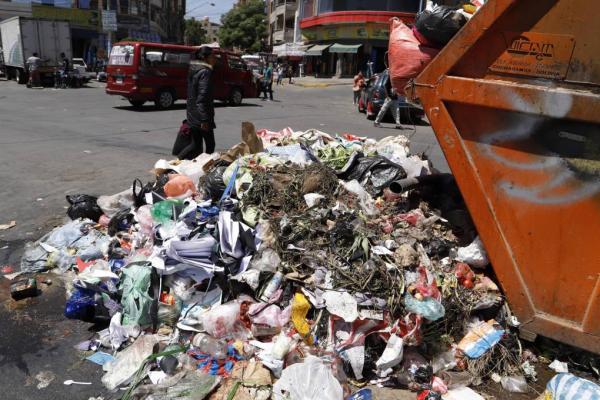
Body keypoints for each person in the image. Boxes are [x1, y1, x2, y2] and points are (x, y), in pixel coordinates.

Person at [178, 46, 217, 160]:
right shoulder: (205, 72)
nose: (214, 59)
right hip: (201, 116)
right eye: (212, 56)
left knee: (195, 145)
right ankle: (205, 168)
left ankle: (175, 163)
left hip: (192, 114)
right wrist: (204, 119)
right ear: (206, 58)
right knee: (210, 145)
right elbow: (202, 97)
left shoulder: (194, 69)